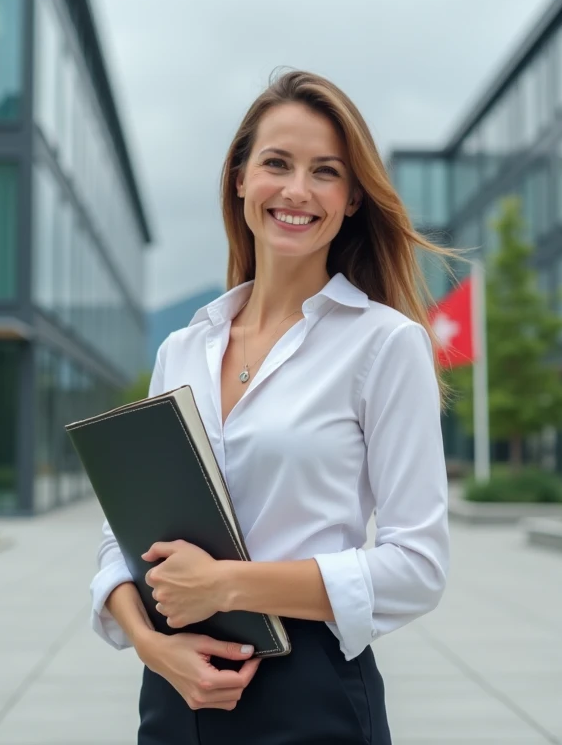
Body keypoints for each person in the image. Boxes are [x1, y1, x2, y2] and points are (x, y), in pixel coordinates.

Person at [89, 68, 454, 744]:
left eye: (325, 172)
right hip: (173, 694)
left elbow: (418, 568)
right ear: (240, 179)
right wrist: (150, 644)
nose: (296, 190)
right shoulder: (181, 348)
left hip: (312, 698)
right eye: (277, 163)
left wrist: (230, 586)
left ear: (350, 199)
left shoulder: (385, 345)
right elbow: (122, 537)